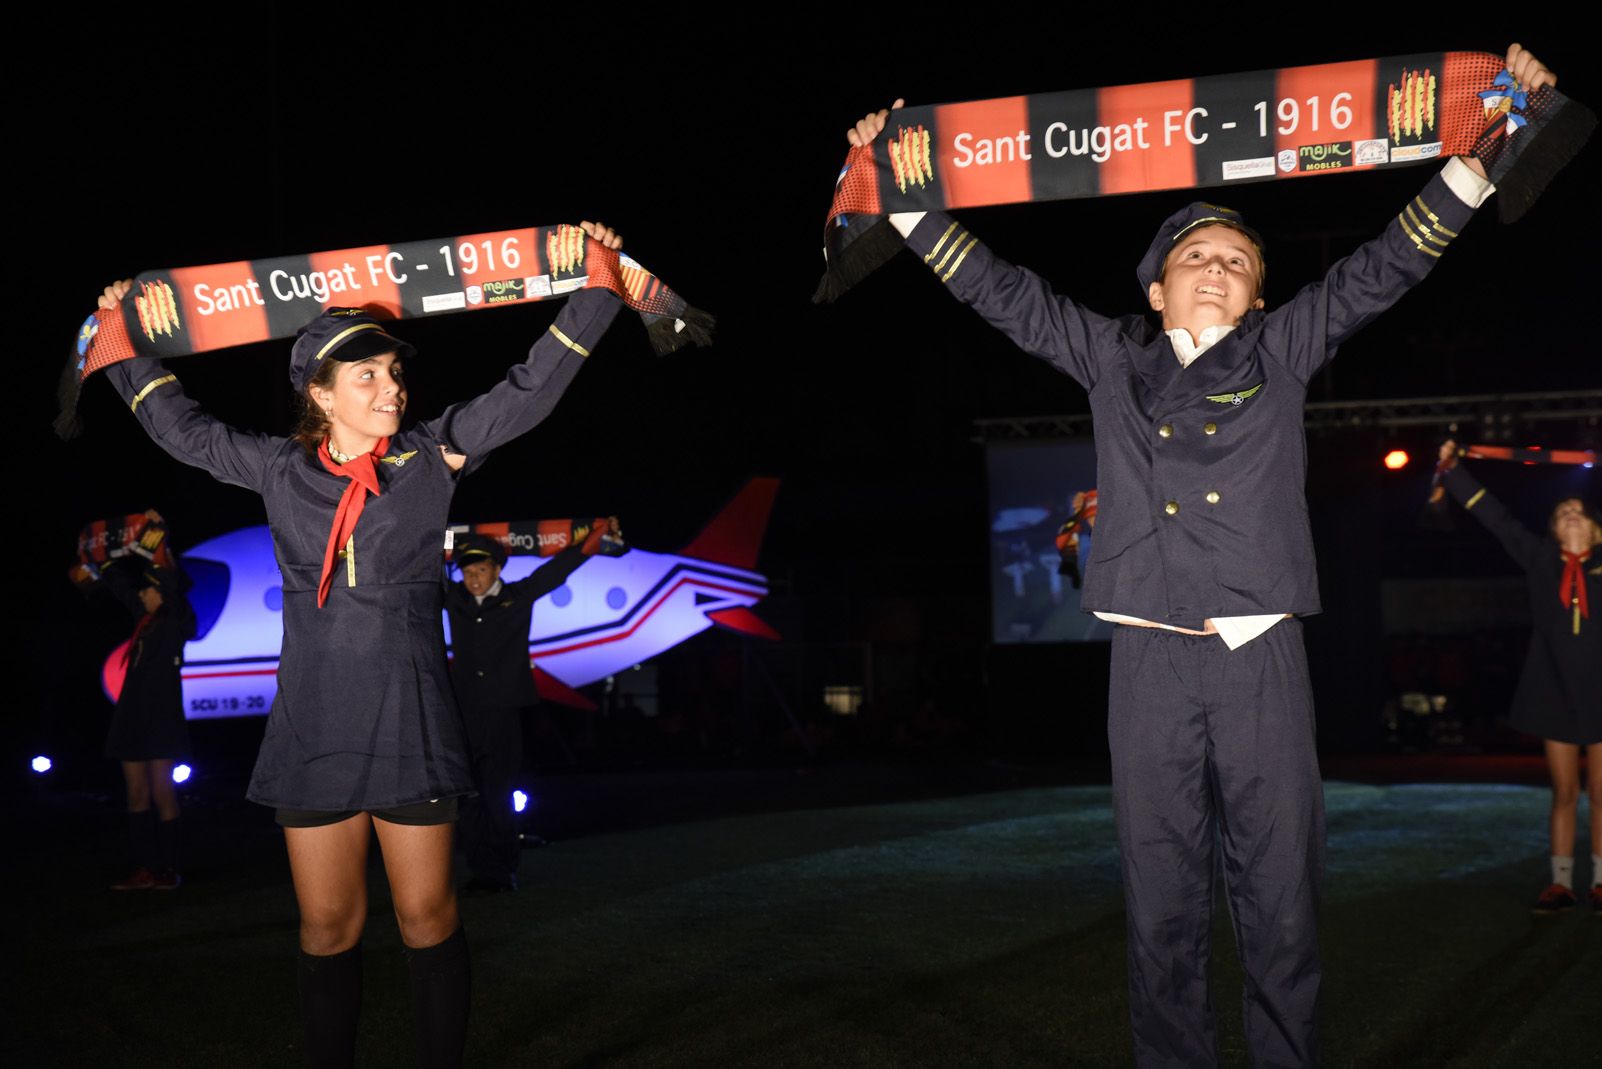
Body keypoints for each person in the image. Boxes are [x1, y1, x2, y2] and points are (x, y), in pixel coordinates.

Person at [848, 43, 1553, 1067]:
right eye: (1197, 259)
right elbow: (1001, 291)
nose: (1217, 269)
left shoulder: (1285, 349)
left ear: (1261, 299)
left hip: (1259, 651)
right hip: (1149, 659)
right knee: (1162, 902)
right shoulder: (1109, 358)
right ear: (1157, 292)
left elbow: (1387, 262)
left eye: (1237, 263)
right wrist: (902, 189)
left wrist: (1487, 145)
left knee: (1280, 899)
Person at [95, 219, 625, 1069]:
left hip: (410, 723)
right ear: (320, 392)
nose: (392, 389)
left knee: (428, 922)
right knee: (327, 927)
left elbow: (524, 392)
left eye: (394, 373)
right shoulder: (277, 469)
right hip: (313, 729)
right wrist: (120, 342)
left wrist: (599, 292)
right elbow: (182, 429)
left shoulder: (430, 458)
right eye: (369, 375)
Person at [1437, 440, 1601, 914]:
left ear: (1594, 526)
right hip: (1554, 690)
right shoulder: (1540, 561)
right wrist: (1452, 472)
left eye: (1579, 509)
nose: (1571, 513)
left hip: (1600, 690)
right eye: (1562, 510)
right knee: (1565, 792)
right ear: (1553, 528)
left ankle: (1601, 882)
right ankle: (1562, 883)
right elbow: (1497, 517)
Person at [444, 526, 614, 893]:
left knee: (499, 792)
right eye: (467, 571)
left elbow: (553, 573)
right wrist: (432, 535)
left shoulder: (517, 597)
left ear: (497, 569)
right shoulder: (453, 597)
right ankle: (479, 870)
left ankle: (502, 871)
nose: (473, 578)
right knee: (468, 794)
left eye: (481, 570)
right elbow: (422, 569)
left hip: (504, 712)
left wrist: (590, 544)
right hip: (464, 713)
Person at [70, 531, 195, 891]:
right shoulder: (143, 617)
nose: (143, 592)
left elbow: (168, 578)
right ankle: (144, 869)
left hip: (162, 717)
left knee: (162, 793)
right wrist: (98, 556)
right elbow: (120, 585)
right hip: (131, 715)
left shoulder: (176, 622)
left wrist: (157, 534)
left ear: (165, 590)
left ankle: (168, 871)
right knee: (136, 795)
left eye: (150, 587)